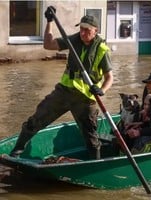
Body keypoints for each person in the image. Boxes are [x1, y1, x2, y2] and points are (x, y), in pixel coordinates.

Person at [9, 6, 113, 160]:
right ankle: (16, 152)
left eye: (87, 30)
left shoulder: (102, 49)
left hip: (85, 98)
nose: (83, 33)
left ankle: (95, 165)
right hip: (63, 92)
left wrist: (102, 90)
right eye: (81, 29)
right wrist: (49, 21)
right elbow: (48, 45)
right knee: (36, 119)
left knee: (91, 137)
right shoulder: (73, 39)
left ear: (96, 30)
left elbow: (109, 77)